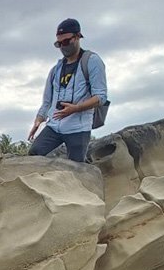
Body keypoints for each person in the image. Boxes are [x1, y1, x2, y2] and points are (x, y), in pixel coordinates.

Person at [27, 18, 108, 164]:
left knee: (77, 168)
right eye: (58, 44)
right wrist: (38, 120)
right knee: (34, 153)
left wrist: (76, 108)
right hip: (54, 125)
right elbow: (47, 101)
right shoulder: (55, 70)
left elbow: (101, 96)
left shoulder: (91, 61)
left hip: (78, 127)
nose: (62, 46)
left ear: (77, 37)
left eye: (66, 41)